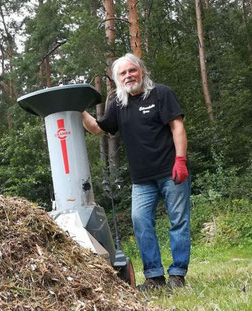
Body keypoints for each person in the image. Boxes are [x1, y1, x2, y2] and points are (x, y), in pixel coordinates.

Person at [82, 53, 191, 291]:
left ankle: (177, 275)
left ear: (141, 71)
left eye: (132, 70)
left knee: (179, 221)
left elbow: (178, 127)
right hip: (142, 179)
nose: (129, 75)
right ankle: (154, 277)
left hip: (171, 171)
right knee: (140, 221)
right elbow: (98, 129)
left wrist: (180, 160)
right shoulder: (118, 105)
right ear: (116, 79)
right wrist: (77, 109)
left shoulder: (161, 93)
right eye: (123, 73)